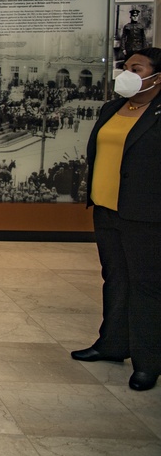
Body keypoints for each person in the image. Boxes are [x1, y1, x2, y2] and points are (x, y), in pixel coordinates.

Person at [71, 48, 161, 392]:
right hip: (107, 209)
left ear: (157, 76)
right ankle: (112, 344)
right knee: (116, 279)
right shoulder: (113, 108)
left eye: (136, 68)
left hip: (145, 214)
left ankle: (148, 361)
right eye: (125, 66)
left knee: (146, 287)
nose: (126, 73)